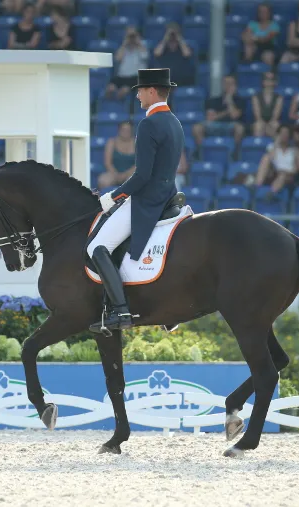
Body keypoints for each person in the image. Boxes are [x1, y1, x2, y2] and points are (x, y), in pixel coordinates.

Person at [86, 68, 184, 334]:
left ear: (152, 91)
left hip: (148, 199)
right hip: (168, 196)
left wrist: (113, 197)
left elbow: (142, 176)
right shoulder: (174, 121)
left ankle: (120, 310)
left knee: (97, 247)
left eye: (140, 90)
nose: (138, 94)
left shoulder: (149, 123)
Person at [253, 124, 296, 195]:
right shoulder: (272, 147)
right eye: (281, 133)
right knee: (266, 158)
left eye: (286, 133)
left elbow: (295, 169)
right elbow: (271, 158)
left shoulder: (294, 150)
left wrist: (285, 171)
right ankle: (256, 186)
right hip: (274, 172)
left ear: (289, 135)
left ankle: (271, 193)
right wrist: (276, 143)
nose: (284, 135)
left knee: (282, 176)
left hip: (287, 175)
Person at [97, 121, 135, 190]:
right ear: (119, 130)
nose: (125, 132)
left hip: (131, 173)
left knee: (133, 181)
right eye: (123, 130)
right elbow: (107, 163)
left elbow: (139, 164)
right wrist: (116, 174)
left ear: (132, 131)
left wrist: (125, 174)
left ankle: (130, 200)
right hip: (113, 172)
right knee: (103, 180)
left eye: (128, 130)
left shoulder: (137, 143)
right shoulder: (111, 142)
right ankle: (103, 200)